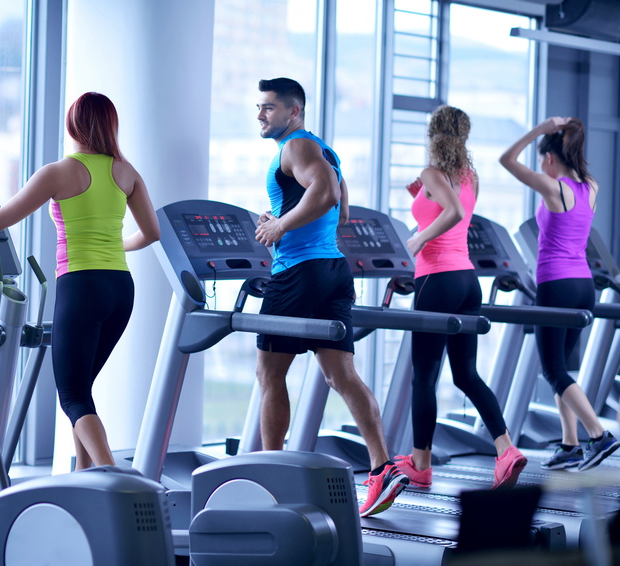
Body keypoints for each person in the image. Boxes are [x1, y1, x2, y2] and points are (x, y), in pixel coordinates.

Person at [0, 92, 160, 470]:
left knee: (72, 395)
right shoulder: (127, 173)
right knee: (83, 390)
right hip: (120, 288)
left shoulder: (60, 171)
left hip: (81, 287)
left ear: (73, 124)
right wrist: (112, 247)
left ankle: (112, 477)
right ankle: (85, 474)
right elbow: (152, 233)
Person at [253, 77, 407, 517]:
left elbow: (325, 194)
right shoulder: (326, 151)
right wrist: (282, 218)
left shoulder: (296, 147)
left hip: (298, 273)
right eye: (259, 108)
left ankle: (271, 474)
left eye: (268, 108)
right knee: (342, 375)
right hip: (333, 270)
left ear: (293, 112)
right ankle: (382, 465)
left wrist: (280, 228)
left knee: (269, 373)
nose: (261, 115)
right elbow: (341, 214)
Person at [395, 105, 527, 490]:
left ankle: (420, 462)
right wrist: (422, 198)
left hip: (436, 278)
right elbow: (459, 208)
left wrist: (418, 238)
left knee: (424, 376)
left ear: (432, 135)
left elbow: (451, 213)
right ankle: (505, 450)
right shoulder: (470, 176)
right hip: (467, 281)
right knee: (466, 374)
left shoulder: (431, 172)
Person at [500, 116, 618, 471]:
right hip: (583, 286)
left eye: (541, 158)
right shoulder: (590, 187)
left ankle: (599, 435)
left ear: (550, 158)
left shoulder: (555, 188)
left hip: (556, 285)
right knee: (560, 369)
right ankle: (569, 443)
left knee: (553, 370)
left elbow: (506, 160)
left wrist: (539, 130)